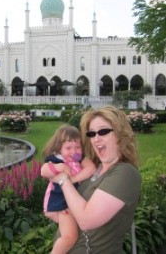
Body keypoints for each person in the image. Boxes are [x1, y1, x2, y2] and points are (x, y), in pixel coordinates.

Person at [42, 106, 141, 254]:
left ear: (121, 134)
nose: (96, 138)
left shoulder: (125, 173)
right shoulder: (94, 168)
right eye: (92, 133)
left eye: (103, 131)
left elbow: (87, 220)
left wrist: (63, 179)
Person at [41, 125, 96, 254]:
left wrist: (72, 179)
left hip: (72, 202)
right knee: (69, 237)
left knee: (73, 234)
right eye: (68, 148)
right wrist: (59, 168)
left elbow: (91, 169)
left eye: (78, 147)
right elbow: (43, 171)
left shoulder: (81, 159)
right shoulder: (56, 159)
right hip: (61, 204)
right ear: (58, 148)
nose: (74, 152)